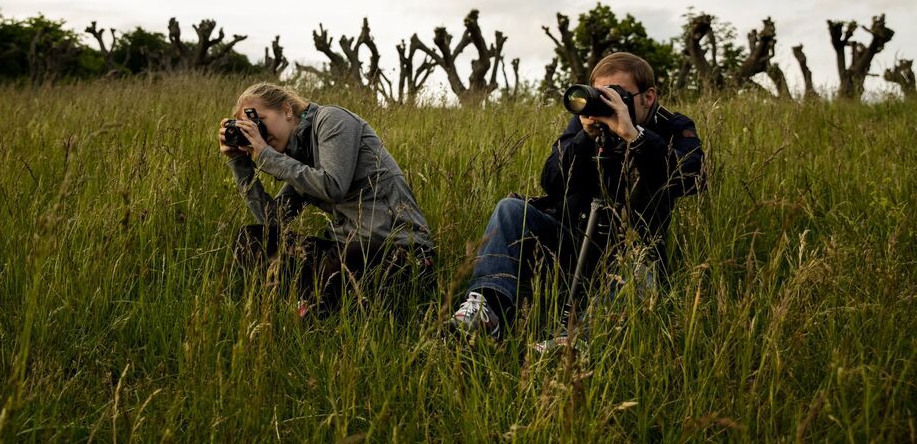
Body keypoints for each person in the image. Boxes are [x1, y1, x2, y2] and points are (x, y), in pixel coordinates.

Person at [449, 52, 705, 340]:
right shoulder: (587, 122)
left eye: (617, 95)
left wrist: (635, 136)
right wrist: (585, 138)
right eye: (601, 94)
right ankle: (487, 311)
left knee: (641, 276)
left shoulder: (673, 126)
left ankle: (573, 340)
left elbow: (693, 178)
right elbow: (552, 182)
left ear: (647, 97)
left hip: (631, 250)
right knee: (510, 210)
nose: (608, 105)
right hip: (571, 239)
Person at [218, 83, 435, 317]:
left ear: (287, 110)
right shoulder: (301, 155)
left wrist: (268, 156)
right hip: (347, 251)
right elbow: (273, 219)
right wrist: (239, 162)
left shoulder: (332, 119)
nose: (259, 133)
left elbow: (333, 186)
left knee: (346, 256)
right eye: (252, 128)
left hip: (401, 251)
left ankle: (309, 306)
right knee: (252, 239)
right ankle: (309, 302)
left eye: (260, 120)